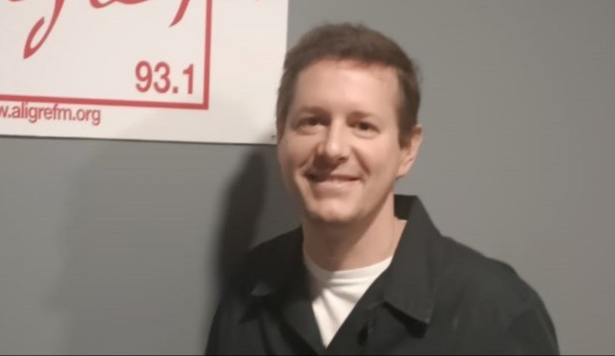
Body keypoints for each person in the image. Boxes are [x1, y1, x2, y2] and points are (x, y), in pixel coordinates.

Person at [205, 23, 559, 355]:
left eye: (363, 126)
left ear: (407, 149)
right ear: (282, 137)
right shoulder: (248, 290)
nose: (333, 148)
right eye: (312, 121)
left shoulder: (496, 313)